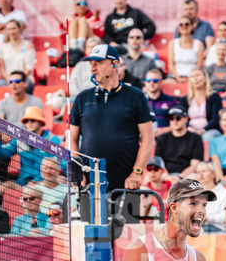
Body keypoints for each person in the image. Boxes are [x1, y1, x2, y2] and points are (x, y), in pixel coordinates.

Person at [68, 44, 154, 191]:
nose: (93, 68)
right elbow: (71, 138)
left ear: (114, 64)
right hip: (88, 184)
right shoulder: (82, 98)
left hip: (126, 184)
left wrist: (136, 172)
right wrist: (77, 171)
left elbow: (148, 139)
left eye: (98, 63)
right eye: (91, 64)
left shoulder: (136, 96)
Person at [155, 106, 204, 179]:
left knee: (194, 177)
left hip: (186, 175)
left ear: (186, 119)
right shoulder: (162, 138)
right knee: (148, 177)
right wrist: (168, 177)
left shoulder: (195, 138)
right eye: (172, 118)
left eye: (178, 118)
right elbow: (158, 163)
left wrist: (180, 177)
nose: (175, 121)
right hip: (166, 175)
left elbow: (195, 165)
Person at [0, 20, 36, 89]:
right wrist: (10, 80)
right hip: (7, 79)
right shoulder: (1, 46)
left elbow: (28, 68)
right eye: (9, 29)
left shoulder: (28, 45)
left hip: (24, 78)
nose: (12, 31)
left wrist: (17, 80)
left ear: (19, 29)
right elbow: (2, 68)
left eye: (14, 28)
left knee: (26, 86)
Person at [182, 67, 222, 133]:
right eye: (192, 77)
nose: (195, 78)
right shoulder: (185, 99)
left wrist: (203, 130)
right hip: (190, 131)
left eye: (198, 75)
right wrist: (189, 128)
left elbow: (215, 119)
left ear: (205, 78)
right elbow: (182, 118)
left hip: (210, 130)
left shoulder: (214, 97)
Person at [193, 161, 226, 230]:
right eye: (198, 172)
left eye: (204, 171)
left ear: (213, 174)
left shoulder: (224, 193)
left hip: (218, 227)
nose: (201, 174)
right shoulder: (194, 193)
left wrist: (208, 218)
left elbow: (225, 216)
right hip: (198, 226)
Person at [169, 16, 205, 81]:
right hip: (175, 77)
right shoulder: (172, 43)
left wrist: (190, 78)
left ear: (192, 26)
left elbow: (199, 65)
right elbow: (171, 64)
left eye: (187, 24)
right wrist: (178, 78)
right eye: (181, 24)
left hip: (193, 78)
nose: (184, 26)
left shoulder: (199, 44)